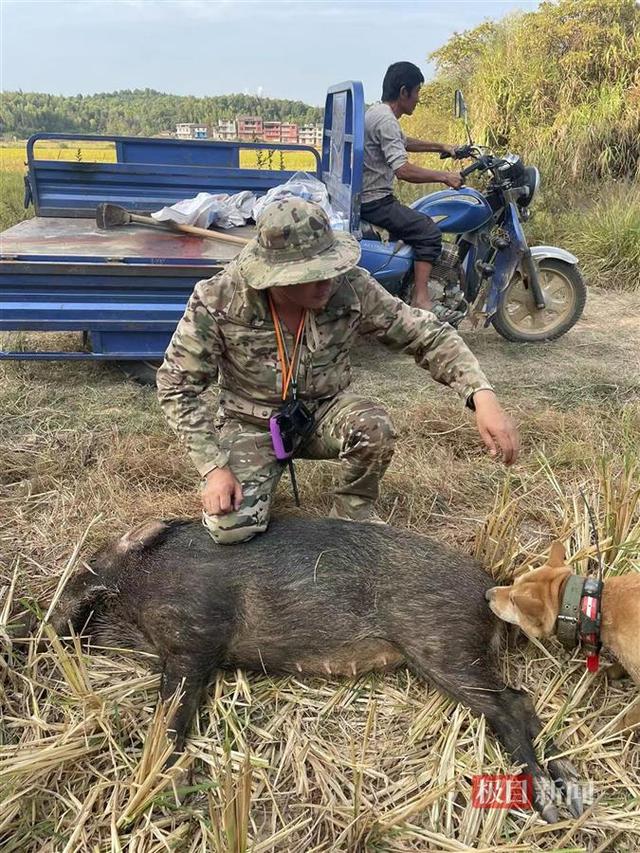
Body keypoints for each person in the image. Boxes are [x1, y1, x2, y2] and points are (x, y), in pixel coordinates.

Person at [157, 197, 519, 545]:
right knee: (229, 529)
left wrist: (481, 396)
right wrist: (213, 468)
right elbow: (175, 385)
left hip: (324, 411)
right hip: (251, 421)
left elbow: (426, 333)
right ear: (275, 277)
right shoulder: (219, 299)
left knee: (373, 426)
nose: (327, 282)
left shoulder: (350, 286)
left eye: (330, 267)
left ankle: (351, 515)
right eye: (313, 275)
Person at [361, 61, 464, 318]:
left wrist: (442, 146)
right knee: (428, 231)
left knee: (417, 220)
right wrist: (445, 177)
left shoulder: (378, 113)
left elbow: (403, 142)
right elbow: (403, 170)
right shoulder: (386, 120)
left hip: (368, 197)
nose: (418, 99)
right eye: (417, 92)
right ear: (404, 91)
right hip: (375, 201)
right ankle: (421, 299)